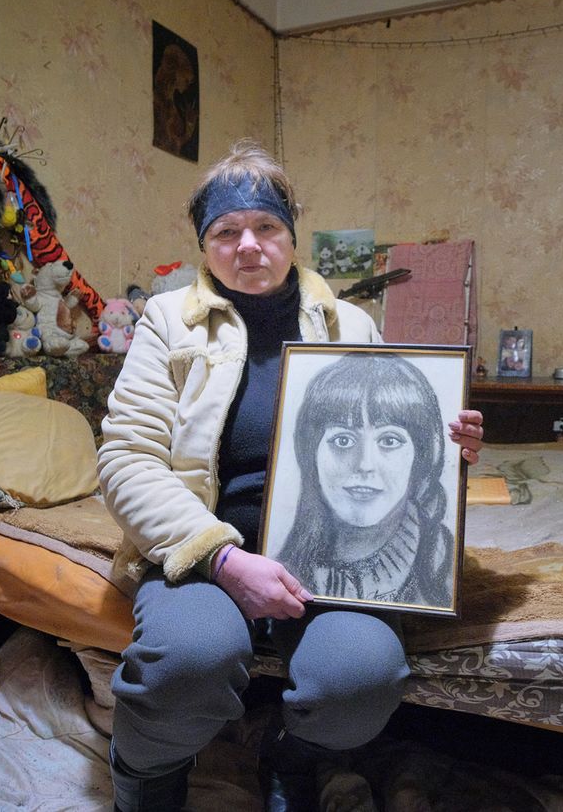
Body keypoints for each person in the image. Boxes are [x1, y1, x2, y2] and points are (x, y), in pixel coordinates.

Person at [97, 139, 484, 812]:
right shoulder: (165, 322)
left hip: (331, 554)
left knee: (360, 677)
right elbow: (126, 457)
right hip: (203, 548)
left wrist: (445, 445)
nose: (248, 245)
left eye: (266, 227)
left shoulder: (350, 323)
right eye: (226, 231)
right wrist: (219, 559)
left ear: (290, 236)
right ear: (204, 245)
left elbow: (395, 441)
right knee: (188, 660)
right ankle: (144, 780)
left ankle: (291, 752)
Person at [276, 353, 455, 607]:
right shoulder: (288, 562)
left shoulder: (441, 556)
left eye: (389, 440)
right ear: (311, 452)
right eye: (343, 440)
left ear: (420, 456)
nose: (364, 465)